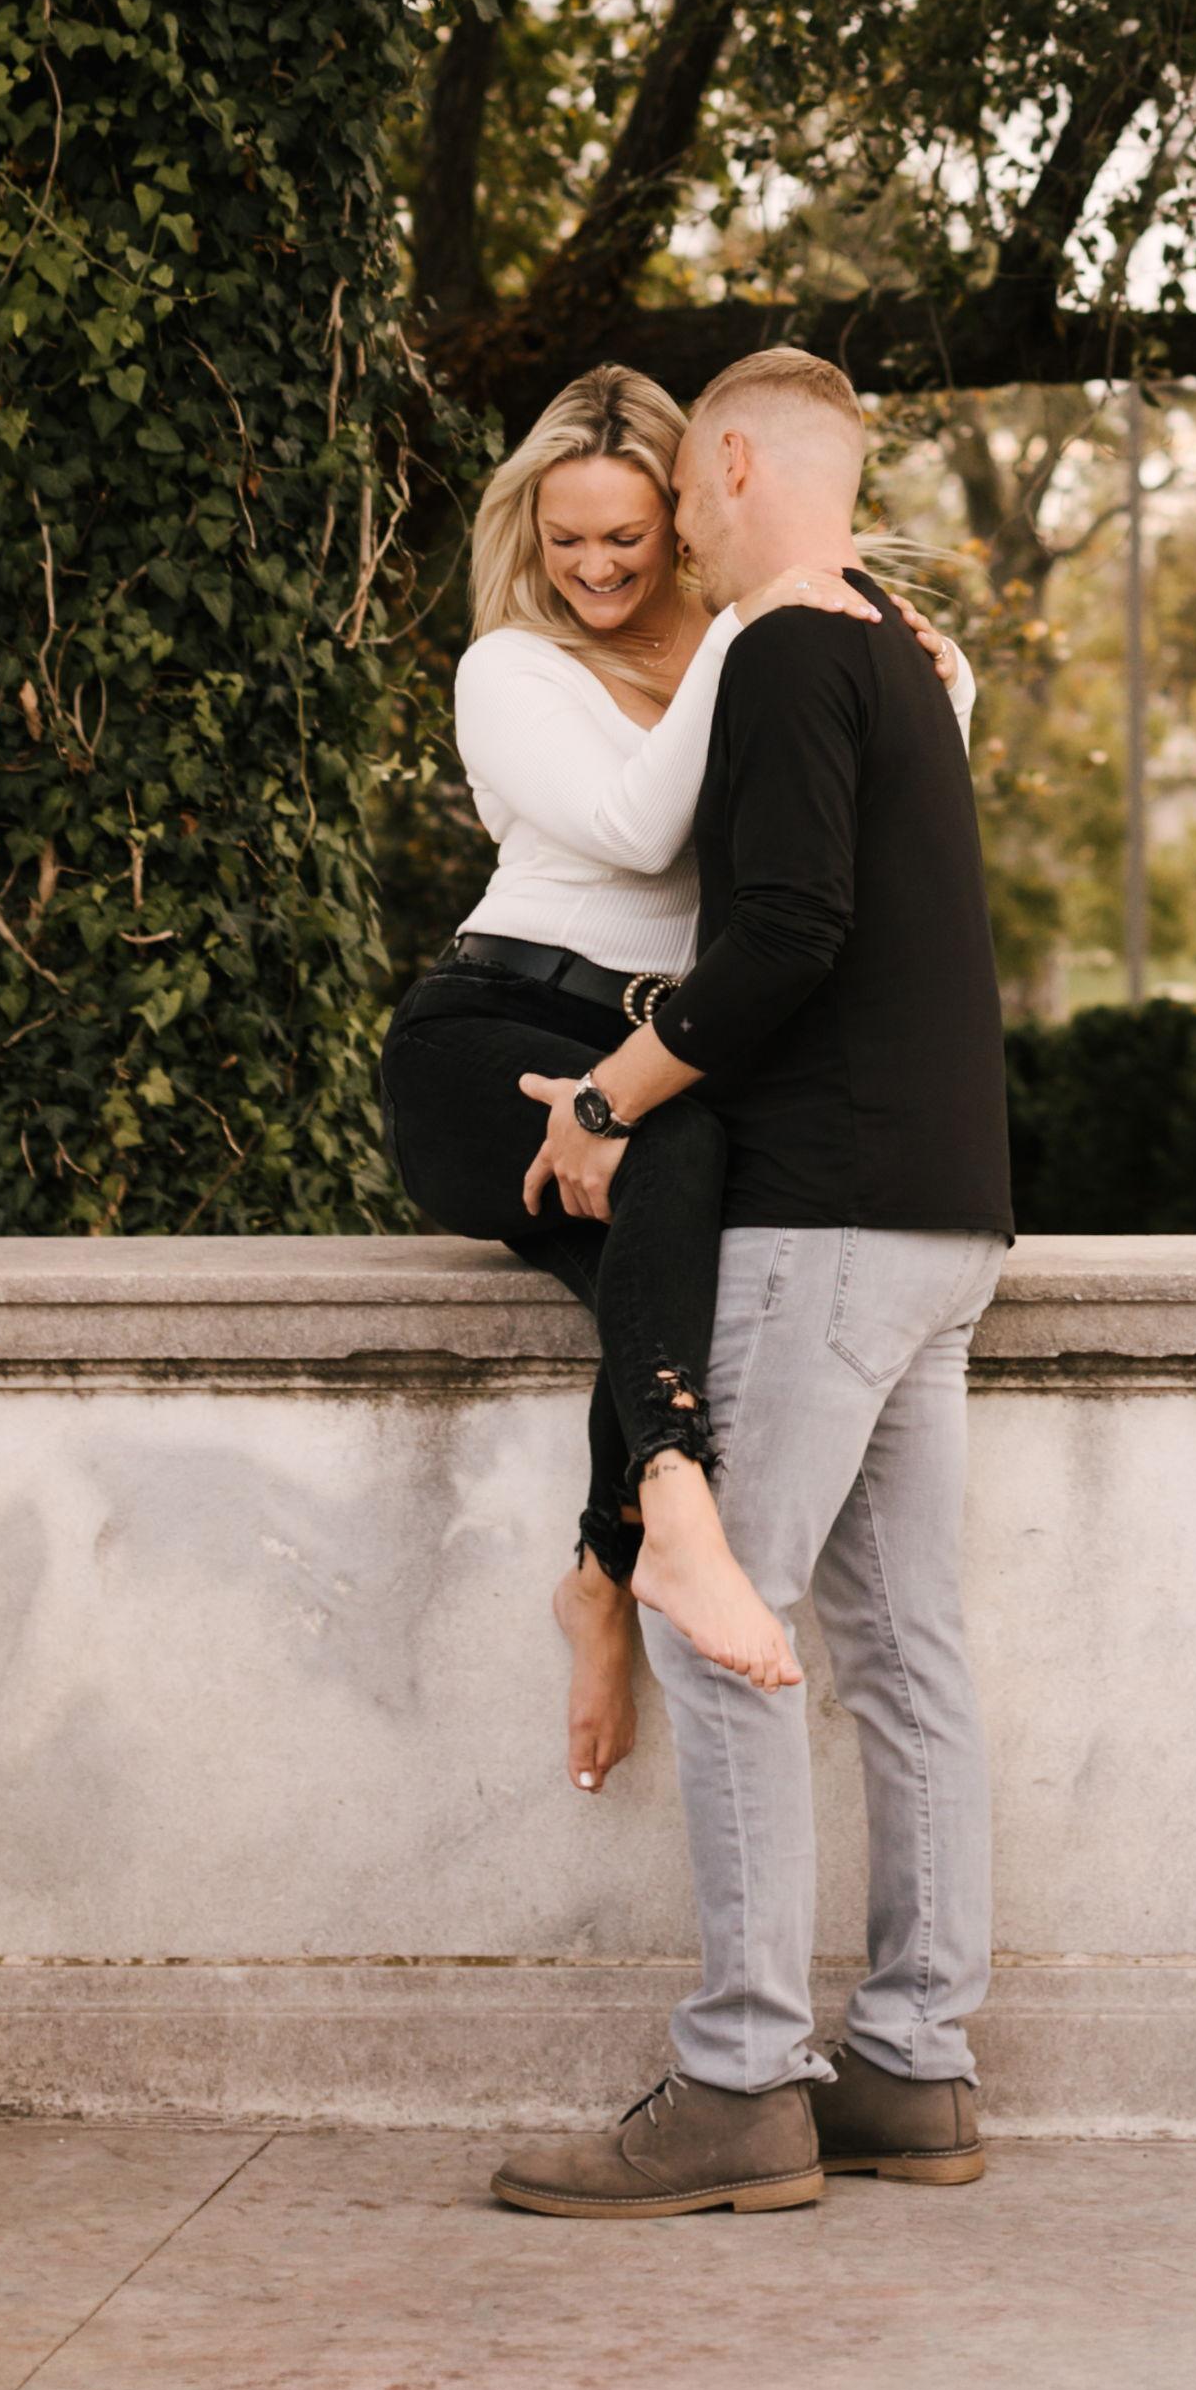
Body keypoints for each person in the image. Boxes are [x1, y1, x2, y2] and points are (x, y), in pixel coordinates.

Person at [488, 345, 1015, 2223]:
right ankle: (915, 2068)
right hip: (950, 1213)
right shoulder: (905, 655)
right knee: (906, 1650)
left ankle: (736, 2084)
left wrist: (609, 1095)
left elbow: (787, 932)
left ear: (722, 462)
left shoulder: (790, 645)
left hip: (825, 1214)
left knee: (720, 1615)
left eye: (681, 502)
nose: (673, 544)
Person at [377, 371, 808, 1786]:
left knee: (677, 1246)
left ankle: (599, 1576)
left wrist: (924, 661)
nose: (596, 568)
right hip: (490, 1031)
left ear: (680, 521)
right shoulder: (512, 667)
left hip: (649, 1049)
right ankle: (673, 1512)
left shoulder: (743, 635)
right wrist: (751, 624)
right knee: (670, 1152)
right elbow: (634, 828)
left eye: (625, 537)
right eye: (565, 539)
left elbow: (901, 748)